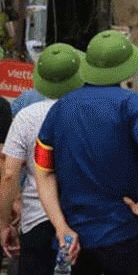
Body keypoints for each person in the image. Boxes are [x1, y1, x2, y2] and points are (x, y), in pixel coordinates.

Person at [34, 29, 138, 275]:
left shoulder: (60, 109)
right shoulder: (133, 104)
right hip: (122, 235)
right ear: (127, 68)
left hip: (72, 238)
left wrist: (60, 226)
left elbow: (43, 172)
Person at [0, 43, 84, 274]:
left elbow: (9, 173)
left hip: (35, 218)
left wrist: (4, 222)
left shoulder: (26, 116)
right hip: (81, 218)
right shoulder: (88, 113)